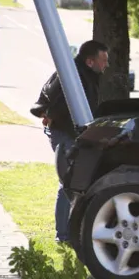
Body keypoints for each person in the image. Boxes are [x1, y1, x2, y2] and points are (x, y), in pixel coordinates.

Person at [30, 40, 109, 243]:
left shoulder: (82, 74)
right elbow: (53, 100)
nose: (106, 65)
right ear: (90, 61)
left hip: (71, 134)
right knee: (68, 181)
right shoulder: (74, 74)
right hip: (64, 133)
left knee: (74, 181)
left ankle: (70, 232)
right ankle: (63, 235)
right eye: (103, 60)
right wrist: (49, 115)